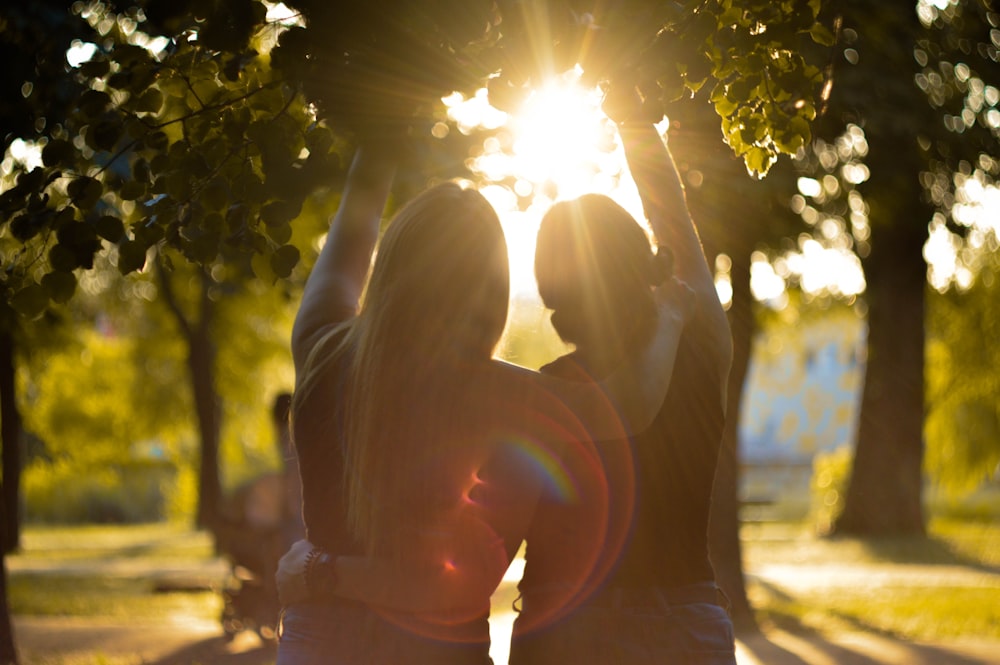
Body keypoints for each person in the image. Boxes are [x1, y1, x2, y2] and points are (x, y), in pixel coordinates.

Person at [276, 137, 693, 665]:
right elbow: (630, 405)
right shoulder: (496, 393)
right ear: (491, 288)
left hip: (316, 644)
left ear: (394, 265)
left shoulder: (320, 347)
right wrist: (672, 318)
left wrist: (379, 137)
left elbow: (353, 223)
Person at [507, 113, 738, 664]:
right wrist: (631, 108)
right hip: (684, 629)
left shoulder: (550, 393)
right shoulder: (703, 353)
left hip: (565, 631)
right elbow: (673, 217)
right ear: (643, 263)